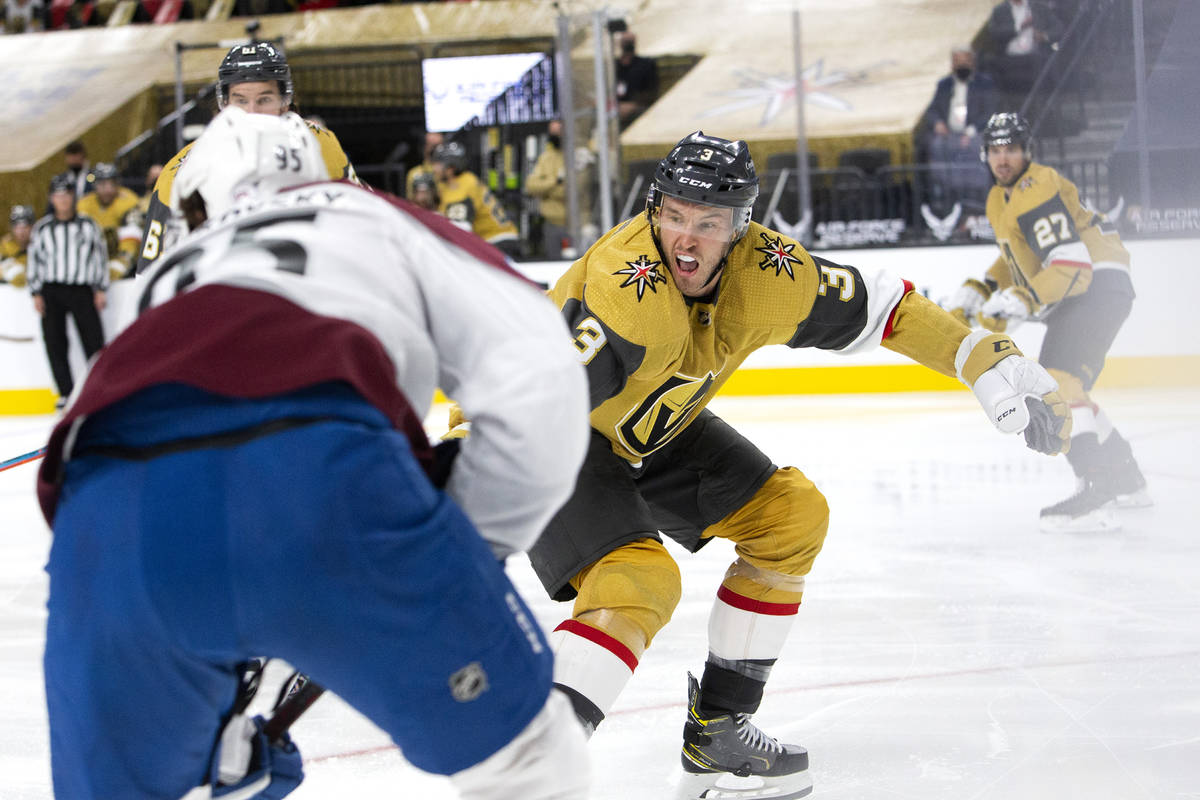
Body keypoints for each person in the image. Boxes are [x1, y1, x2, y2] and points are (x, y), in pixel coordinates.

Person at [36, 107, 591, 800]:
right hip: (319, 475)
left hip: (106, 524)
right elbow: (539, 378)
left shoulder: (159, 276)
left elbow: (102, 463)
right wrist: (464, 547)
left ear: (196, 203)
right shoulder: (375, 214)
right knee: (532, 762)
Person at [525, 130, 1069, 799]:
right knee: (640, 580)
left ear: (741, 227)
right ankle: (527, 771)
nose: (686, 242)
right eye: (673, 217)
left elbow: (885, 306)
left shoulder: (769, 275)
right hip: (557, 440)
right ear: (653, 209)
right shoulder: (626, 292)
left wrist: (975, 356)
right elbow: (524, 404)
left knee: (791, 518)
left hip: (653, 433)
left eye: (709, 223)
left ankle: (718, 733)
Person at [943, 112, 1149, 534]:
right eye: (996, 150)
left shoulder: (1036, 188)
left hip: (1097, 283)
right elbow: (1017, 255)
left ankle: (1096, 492)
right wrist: (981, 286)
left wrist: (1026, 296)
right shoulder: (1002, 197)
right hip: (1094, 286)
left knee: (1058, 381)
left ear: (1026, 152)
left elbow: (1072, 264)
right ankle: (1127, 480)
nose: (1003, 158)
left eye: (1012, 149)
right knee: (1069, 383)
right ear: (985, 154)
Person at [135, 41, 357, 276]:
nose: (252, 113)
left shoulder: (322, 144)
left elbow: (359, 229)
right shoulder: (181, 170)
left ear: (285, 101)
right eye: (241, 101)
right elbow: (151, 273)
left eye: (264, 99)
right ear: (223, 105)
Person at [26, 172, 107, 406]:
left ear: (74, 197)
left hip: (81, 289)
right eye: (58, 196)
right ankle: (66, 393)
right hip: (52, 290)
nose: (62, 200)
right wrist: (36, 292)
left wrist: (100, 288)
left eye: (67, 195)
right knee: (54, 341)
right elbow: (34, 260)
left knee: (93, 340)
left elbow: (98, 257)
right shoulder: (42, 229)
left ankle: (98, 389)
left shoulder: (88, 225)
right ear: (52, 198)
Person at [918, 46, 997, 215]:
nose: (961, 65)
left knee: (976, 146)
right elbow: (931, 110)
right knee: (936, 146)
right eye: (957, 62)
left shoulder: (984, 84)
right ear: (952, 64)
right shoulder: (944, 85)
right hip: (949, 134)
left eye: (965, 61)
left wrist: (970, 132)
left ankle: (978, 198)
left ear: (973, 62)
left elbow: (990, 112)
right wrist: (937, 123)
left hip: (975, 133)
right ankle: (942, 195)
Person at [431, 140, 521, 259]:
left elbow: (459, 227)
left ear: (450, 167)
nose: (434, 168)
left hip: (496, 242)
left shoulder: (461, 185)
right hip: (501, 239)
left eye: (438, 164)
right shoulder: (464, 180)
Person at [984, 0, 1063, 104]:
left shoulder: (1039, 7)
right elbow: (994, 33)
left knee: (1039, 89)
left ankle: (1041, 113)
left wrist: (1044, 36)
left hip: (1035, 59)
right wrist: (1019, 27)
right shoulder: (1000, 10)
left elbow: (1059, 28)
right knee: (1014, 96)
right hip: (1010, 61)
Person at [76, 162, 142, 280]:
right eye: (103, 184)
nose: (108, 189)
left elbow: (131, 239)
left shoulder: (128, 201)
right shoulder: (85, 204)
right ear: (95, 185)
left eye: (112, 184)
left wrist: (118, 266)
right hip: (95, 260)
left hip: (129, 266)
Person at [524, 119, 569, 259]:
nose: (555, 135)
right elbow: (531, 186)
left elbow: (570, 191)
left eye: (558, 131)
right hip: (551, 221)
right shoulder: (546, 158)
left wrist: (548, 191)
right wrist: (556, 181)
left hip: (575, 223)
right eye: (552, 132)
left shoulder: (575, 156)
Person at [614, 31, 659, 127]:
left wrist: (633, 105)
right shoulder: (614, 67)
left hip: (638, 107)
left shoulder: (645, 65)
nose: (627, 44)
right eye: (625, 41)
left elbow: (651, 91)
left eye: (629, 41)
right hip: (615, 108)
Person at [1, 204, 33, 287]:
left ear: (32, 227)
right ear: (12, 228)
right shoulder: (4, 247)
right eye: (18, 227)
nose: (21, 231)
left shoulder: (38, 247)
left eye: (25, 227)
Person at [406, 130, 443, 202]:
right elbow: (412, 203)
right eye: (432, 145)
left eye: (439, 145)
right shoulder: (414, 173)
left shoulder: (452, 171)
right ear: (424, 147)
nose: (436, 149)